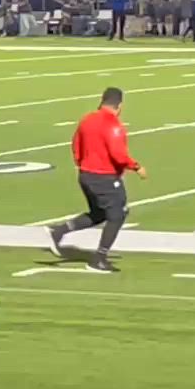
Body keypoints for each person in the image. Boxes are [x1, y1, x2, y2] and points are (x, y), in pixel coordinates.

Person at [45, 87, 147, 273]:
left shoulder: (87, 120)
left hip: (86, 175)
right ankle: (99, 259)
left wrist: (82, 164)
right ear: (120, 106)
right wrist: (136, 167)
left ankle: (59, 231)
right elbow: (119, 155)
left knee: (100, 213)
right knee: (118, 214)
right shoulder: (113, 125)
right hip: (104, 177)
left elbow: (75, 144)